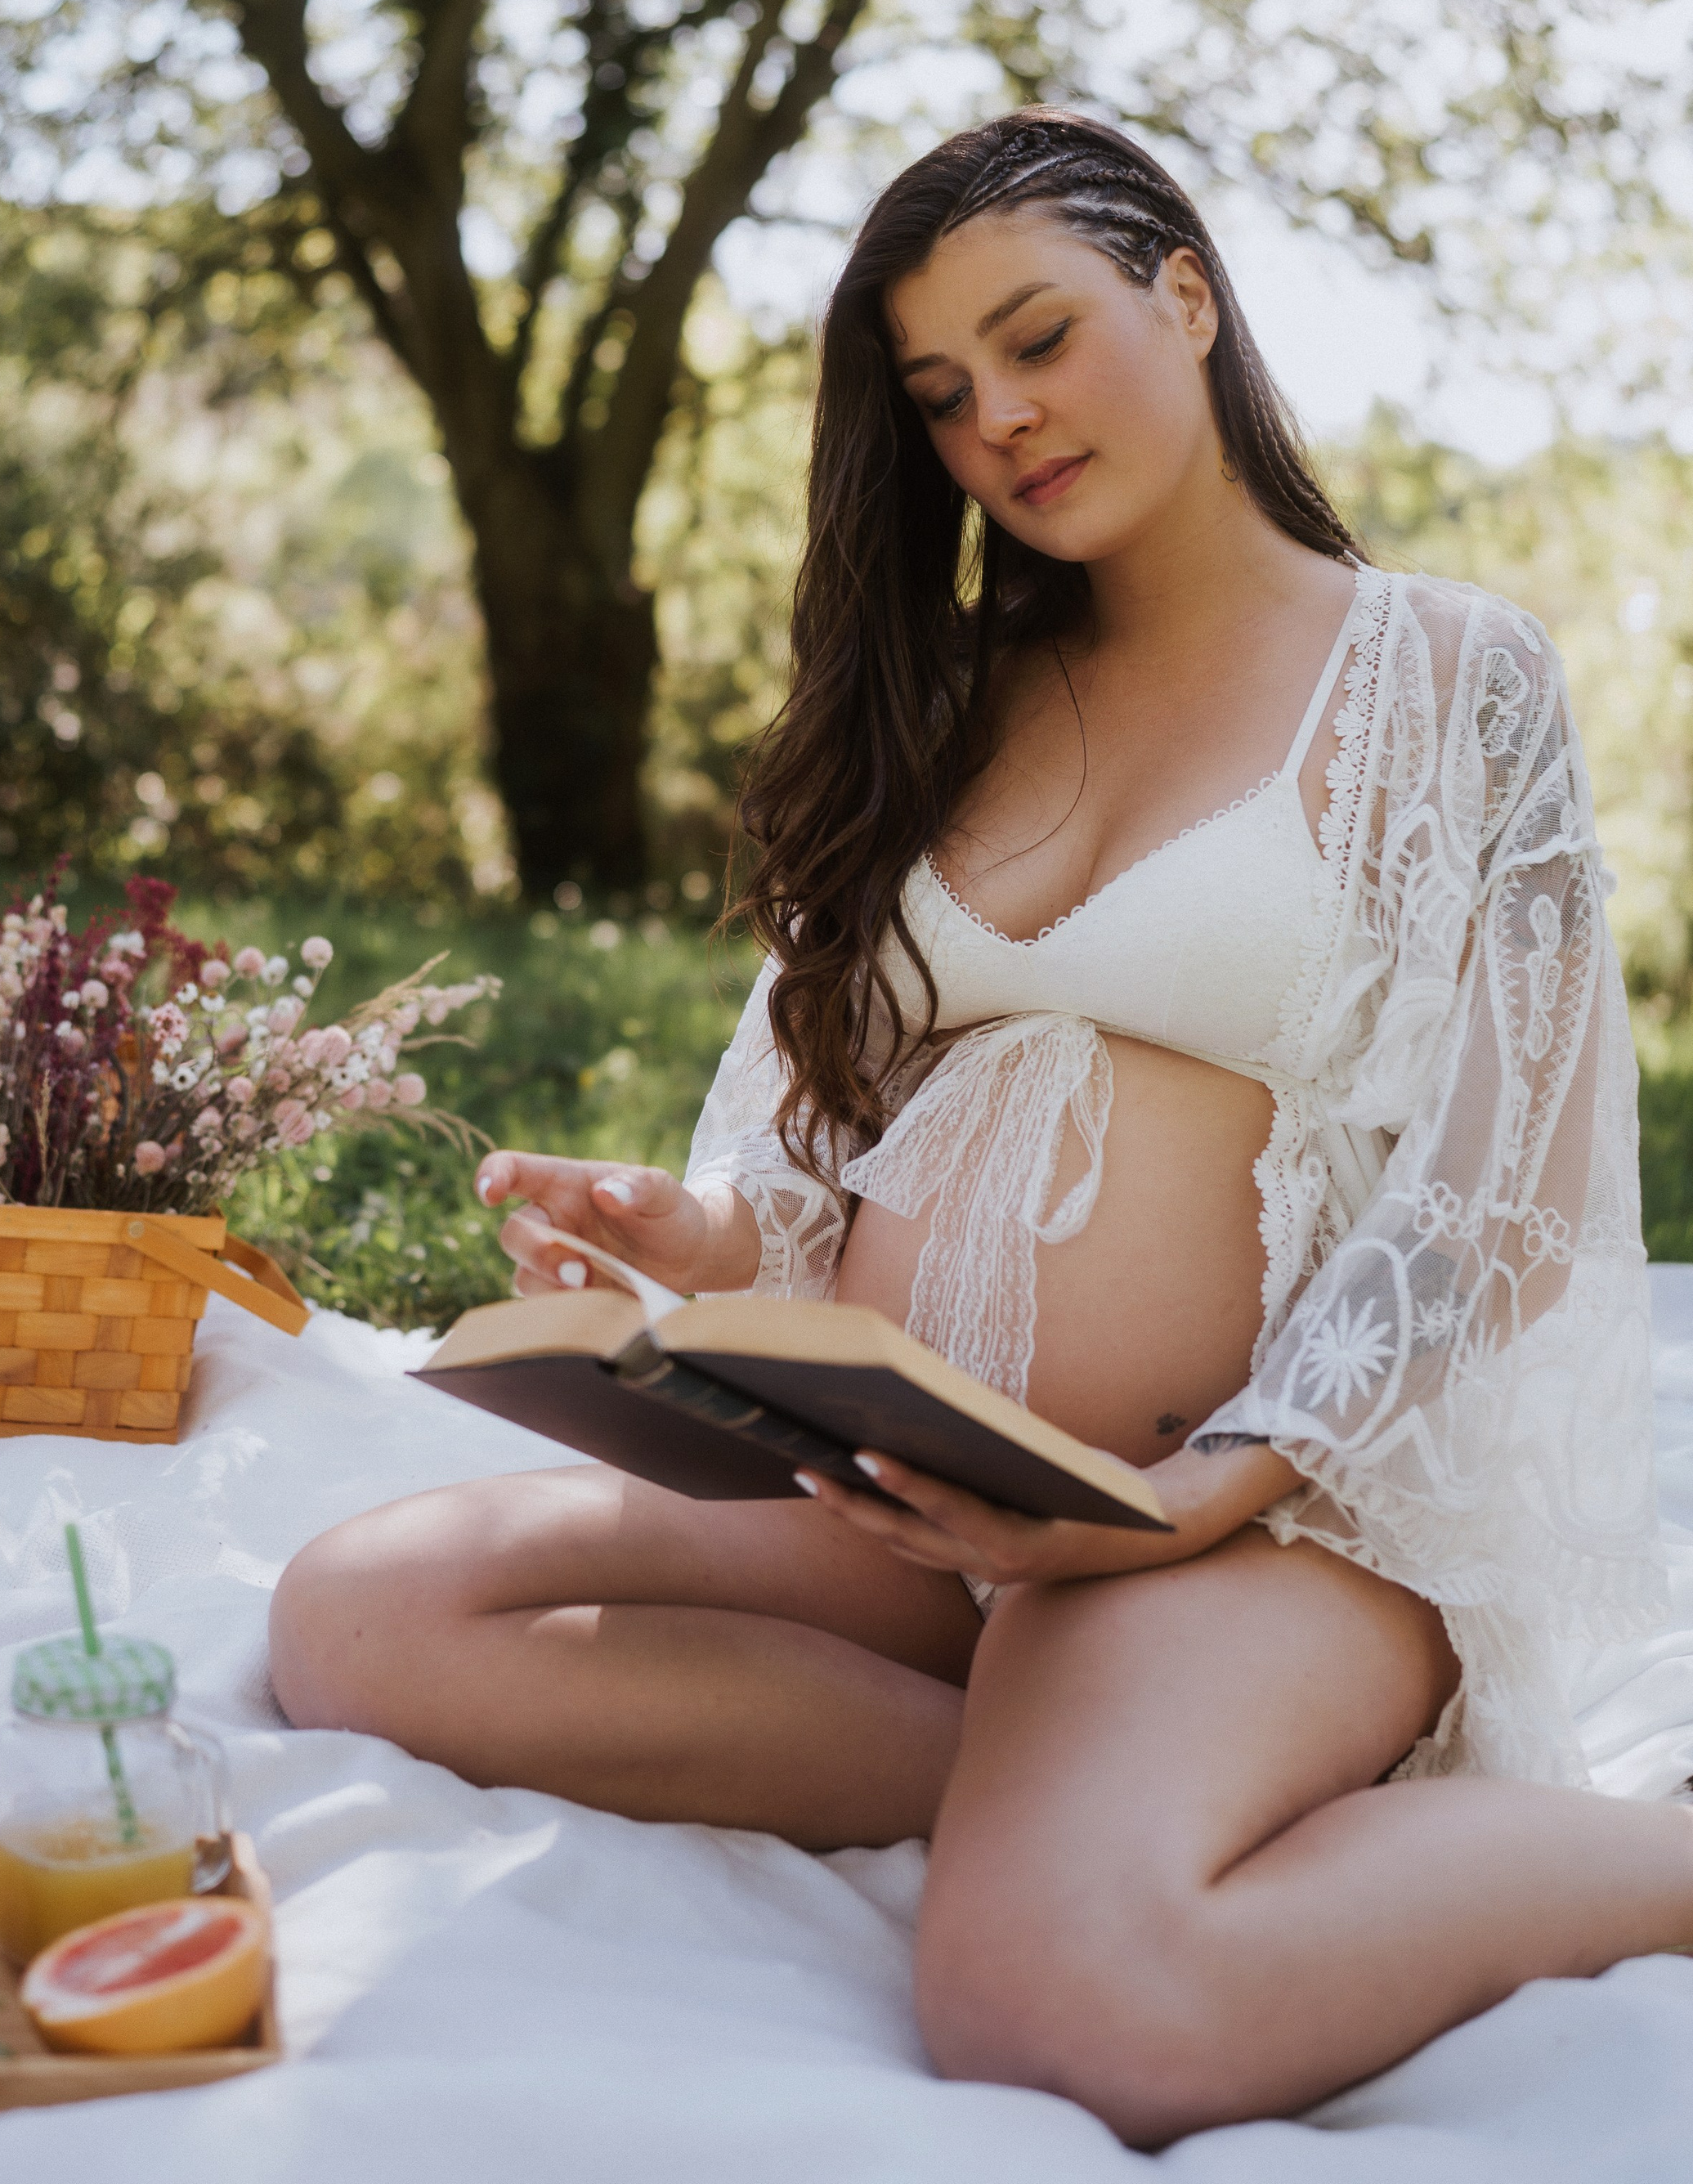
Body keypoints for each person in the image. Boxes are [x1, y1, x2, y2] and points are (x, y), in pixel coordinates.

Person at [271, 108, 1673, 2145]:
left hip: (1241, 1524)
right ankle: (1095, 1780)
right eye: (940, 394)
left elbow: (1499, 1198)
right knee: (365, 1609)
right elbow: (803, 1163)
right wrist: (689, 1243)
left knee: (1066, 2005)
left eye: (1038, 340)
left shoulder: (1442, 674)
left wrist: (1183, 1496)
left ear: (1182, 296)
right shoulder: (942, 698)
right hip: (911, 1491)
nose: (999, 418)